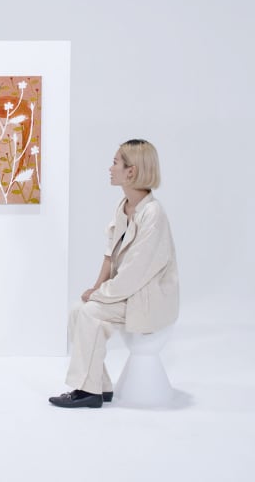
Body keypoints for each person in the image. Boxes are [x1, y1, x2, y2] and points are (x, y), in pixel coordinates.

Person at [49, 139, 179, 408]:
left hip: (148, 298)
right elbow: (110, 255)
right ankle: (98, 385)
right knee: (78, 309)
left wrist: (100, 296)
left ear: (131, 171)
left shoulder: (153, 214)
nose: (110, 168)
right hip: (127, 293)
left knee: (90, 312)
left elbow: (134, 273)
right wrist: (96, 288)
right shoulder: (124, 206)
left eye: (115, 163)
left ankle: (87, 392)